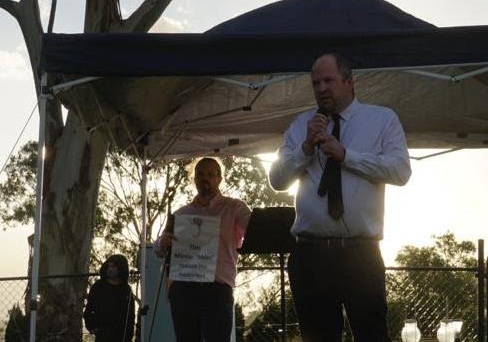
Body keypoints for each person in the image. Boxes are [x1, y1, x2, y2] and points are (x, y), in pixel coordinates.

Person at [269, 53, 411, 342]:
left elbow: (400, 171)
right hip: (310, 254)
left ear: (349, 81)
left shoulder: (382, 119)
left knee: (371, 335)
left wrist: (347, 156)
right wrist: (306, 147)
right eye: (315, 82)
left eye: (328, 80)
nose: (321, 88)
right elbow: (277, 180)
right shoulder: (301, 126)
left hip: (360, 253)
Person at [155, 157, 251, 342]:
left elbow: (255, 230)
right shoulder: (181, 214)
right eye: (200, 174)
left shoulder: (234, 208)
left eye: (210, 174)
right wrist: (162, 242)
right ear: (194, 178)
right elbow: (160, 251)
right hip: (183, 290)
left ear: (219, 179)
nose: (205, 178)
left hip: (217, 290)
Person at [83, 254, 135, 342]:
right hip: (102, 334)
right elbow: (89, 309)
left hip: (120, 336)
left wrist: (128, 336)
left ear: (120, 268)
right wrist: (92, 326)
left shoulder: (126, 290)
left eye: (113, 266)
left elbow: (130, 317)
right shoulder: (98, 286)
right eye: (109, 266)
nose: (110, 269)